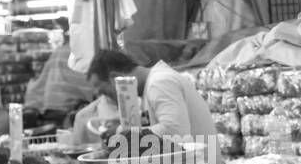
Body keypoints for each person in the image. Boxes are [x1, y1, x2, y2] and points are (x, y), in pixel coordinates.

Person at [85, 49, 215, 145]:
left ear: (116, 78)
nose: (107, 99)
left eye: (105, 92)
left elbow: (174, 131)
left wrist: (121, 132)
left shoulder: (159, 83)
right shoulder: (151, 86)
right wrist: (123, 125)